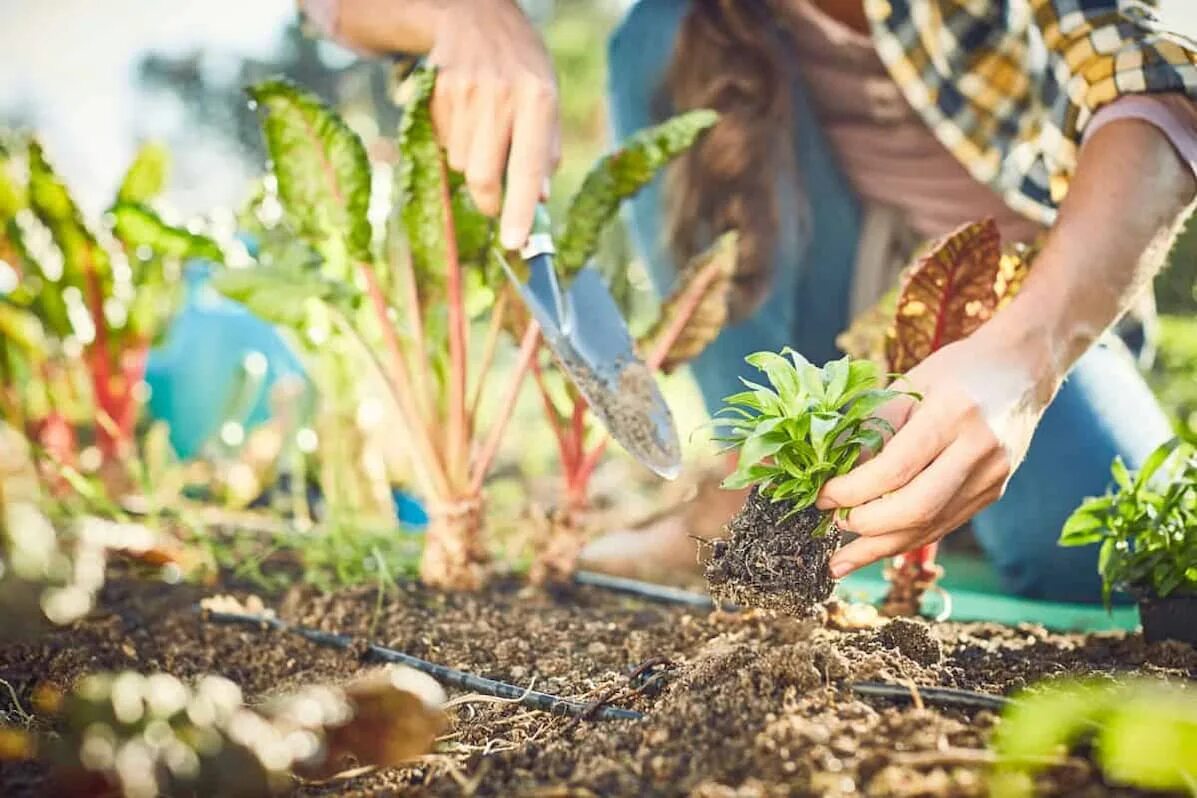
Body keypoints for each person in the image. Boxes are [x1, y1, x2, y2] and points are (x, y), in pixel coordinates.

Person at [301, 0, 1197, 602]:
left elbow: (1160, 90)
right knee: (660, 29)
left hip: (1009, 295)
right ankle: (750, 483)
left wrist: (1022, 360)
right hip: (804, 270)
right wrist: (468, 16)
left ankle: (920, 495)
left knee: (1094, 560)